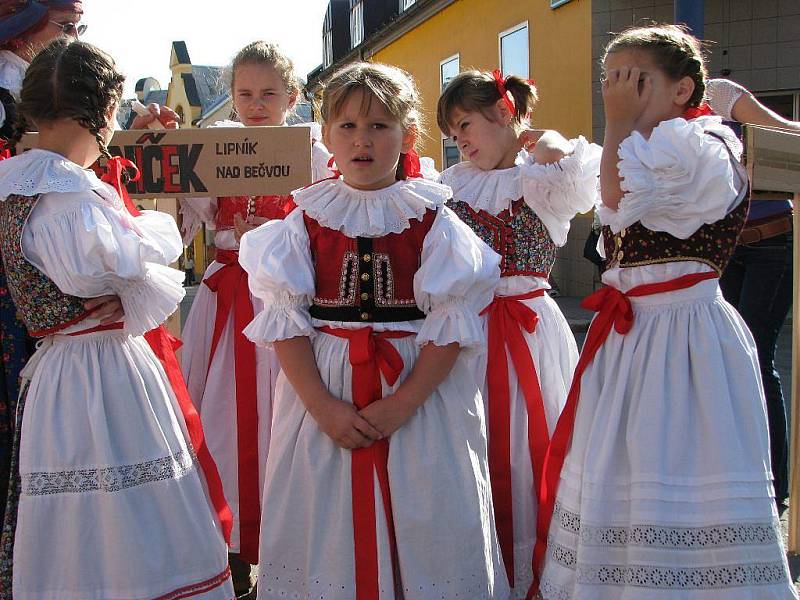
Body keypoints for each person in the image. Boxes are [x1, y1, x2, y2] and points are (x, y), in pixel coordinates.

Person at [533, 24, 797, 599]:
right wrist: (621, 128)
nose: (619, 92)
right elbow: (614, 208)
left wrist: (618, 124)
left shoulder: (706, 147)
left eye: (635, 81)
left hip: (686, 334)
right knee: (620, 460)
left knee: (681, 458)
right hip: (631, 335)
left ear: (682, 90)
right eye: (612, 81)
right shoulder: (638, 148)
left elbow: (619, 203)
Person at [239, 61, 509, 599]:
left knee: (426, 508)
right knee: (326, 513)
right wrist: (322, 406)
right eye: (348, 127)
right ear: (327, 137)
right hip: (325, 389)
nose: (363, 140)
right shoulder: (303, 219)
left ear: (407, 135)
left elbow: (450, 327)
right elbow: (286, 324)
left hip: (419, 396)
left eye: (380, 126)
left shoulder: (436, 220)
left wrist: (402, 403)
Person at [0, 39, 233, 599]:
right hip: (103, 373)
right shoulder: (70, 200)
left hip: (59, 373)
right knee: (133, 512)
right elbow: (138, 268)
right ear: (106, 112)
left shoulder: (22, 186)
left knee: (76, 524)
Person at [436, 69, 601, 597]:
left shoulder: (541, 178)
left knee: (533, 443)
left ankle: (538, 567)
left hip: (530, 329)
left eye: (466, 124)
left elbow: (570, 160)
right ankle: (483, 565)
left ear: (504, 114)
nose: (460, 140)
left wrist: (539, 138)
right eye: (453, 132)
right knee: (477, 443)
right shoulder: (454, 184)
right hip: (471, 331)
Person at [178, 40, 331, 597]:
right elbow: (180, 226)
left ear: (292, 96)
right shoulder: (214, 148)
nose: (256, 103)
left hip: (284, 305)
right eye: (245, 93)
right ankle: (230, 548)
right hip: (224, 307)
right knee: (218, 418)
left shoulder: (313, 152)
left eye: (269, 92)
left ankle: (291, 544)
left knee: (284, 420)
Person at [707, 77, 800, 514]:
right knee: (728, 358)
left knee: (757, 357)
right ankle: (740, 476)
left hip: (772, 242)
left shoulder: (718, 94)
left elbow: (786, 133)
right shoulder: (657, 114)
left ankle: (776, 486)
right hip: (724, 249)